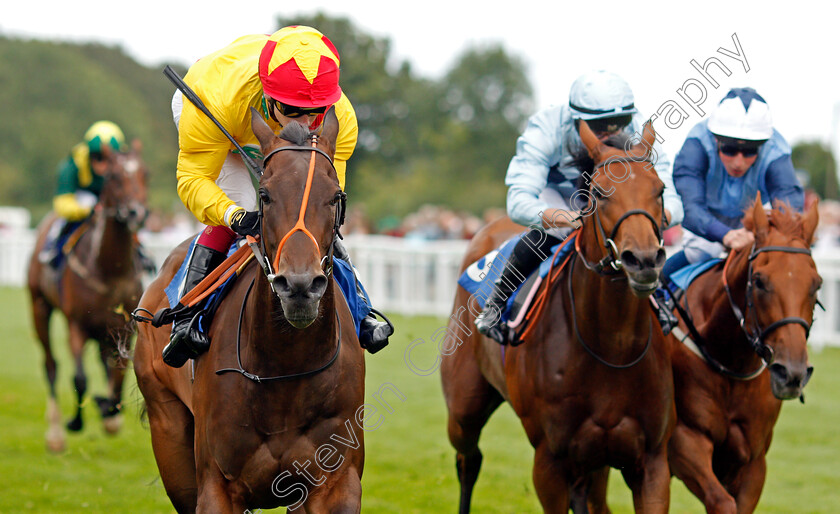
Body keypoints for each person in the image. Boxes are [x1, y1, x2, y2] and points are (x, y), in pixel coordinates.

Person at [163, 25, 393, 368]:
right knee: (244, 204)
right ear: (270, 98)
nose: (306, 123)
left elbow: (330, 199)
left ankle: (361, 311)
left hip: (252, 112)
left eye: (314, 113)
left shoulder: (339, 116)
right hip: (217, 115)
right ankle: (187, 318)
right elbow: (193, 179)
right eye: (293, 110)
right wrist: (234, 216)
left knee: (317, 217)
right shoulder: (217, 95)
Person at [474, 70, 684, 344]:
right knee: (551, 233)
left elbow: (672, 200)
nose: (612, 131)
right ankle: (496, 304)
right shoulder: (546, 128)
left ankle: (657, 299)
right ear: (577, 119)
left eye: (619, 122)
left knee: (637, 235)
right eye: (600, 125)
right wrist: (567, 217)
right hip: (559, 194)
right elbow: (518, 202)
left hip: (613, 195)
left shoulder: (638, 129)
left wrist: (651, 218)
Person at [660, 87, 804, 295]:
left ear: (762, 146)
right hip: (705, 218)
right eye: (729, 149)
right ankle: (656, 296)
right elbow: (689, 207)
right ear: (716, 139)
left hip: (750, 220)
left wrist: (761, 233)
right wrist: (725, 235)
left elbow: (791, 210)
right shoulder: (697, 143)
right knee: (701, 252)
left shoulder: (777, 151)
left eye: (749, 151)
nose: (738, 162)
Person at [39, 121, 156, 272]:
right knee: (66, 217)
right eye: (97, 157)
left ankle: (141, 254)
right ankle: (52, 248)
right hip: (82, 202)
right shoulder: (71, 166)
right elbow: (62, 203)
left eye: (108, 159)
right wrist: (87, 210)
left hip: (110, 205)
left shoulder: (123, 167)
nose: (102, 165)